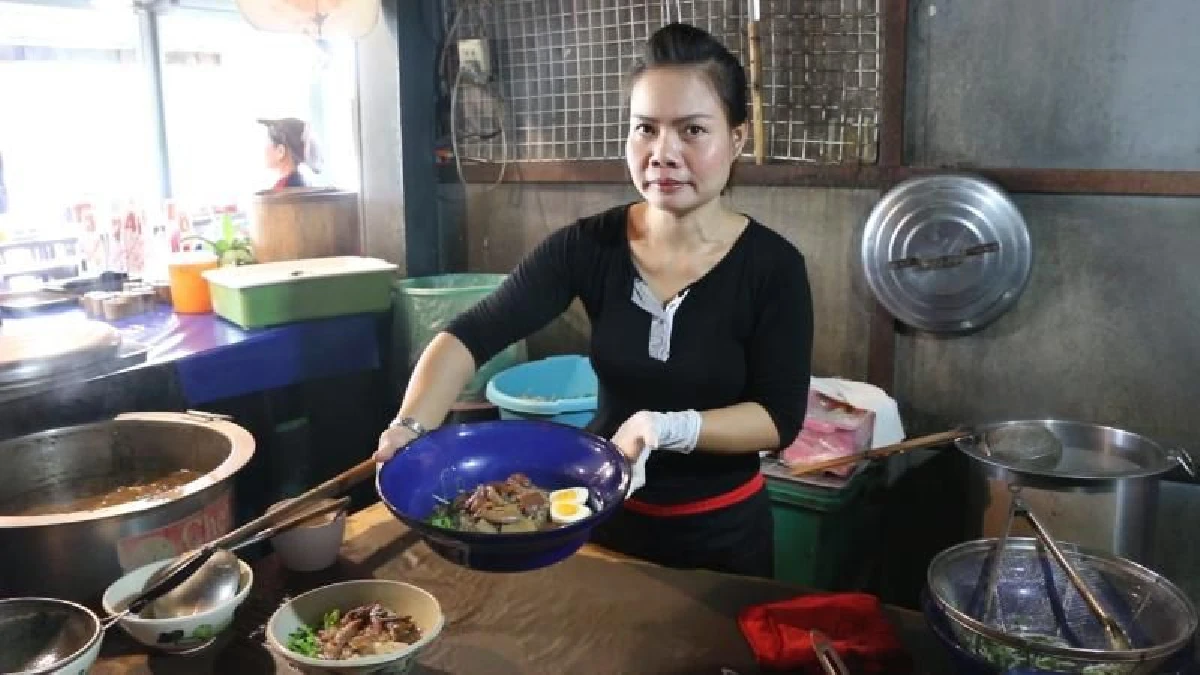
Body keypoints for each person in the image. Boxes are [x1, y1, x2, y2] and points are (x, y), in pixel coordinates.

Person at [376, 22, 814, 578]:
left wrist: (670, 427)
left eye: (692, 131)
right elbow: (472, 333)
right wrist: (409, 429)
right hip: (603, 523)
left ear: (737, 138)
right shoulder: (589, 247)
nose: (663, 153)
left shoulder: (773, 267)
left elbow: (779, 419)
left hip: (723, 538)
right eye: (645, 129)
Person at [258, 117, 321, 190]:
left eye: (268, 143)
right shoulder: (302, 183)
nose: (264, 149)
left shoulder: (283, 190)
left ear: (280, 151)